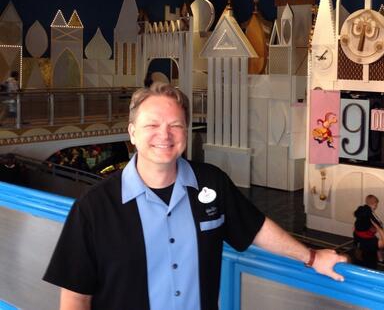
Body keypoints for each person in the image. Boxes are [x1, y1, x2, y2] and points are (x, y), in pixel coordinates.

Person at [43, 82, 346, 310]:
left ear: (186, 132)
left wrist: (311, 257)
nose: (165, 135)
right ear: (132, 133)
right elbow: (75, 297)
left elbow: (255, 227)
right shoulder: (94, 206)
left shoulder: (210, 183)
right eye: (152, 125)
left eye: (175, 125)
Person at [353, 194, 384, 268]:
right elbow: (377, 221)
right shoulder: (370, 212)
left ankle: (379, 259)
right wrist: (380, 228)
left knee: (360, 247)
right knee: (375, 245)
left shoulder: (361, 209)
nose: (376, 207)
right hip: (367, 236)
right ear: (374, 204)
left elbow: (356, 217)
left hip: (358, 234)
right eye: (376, 205)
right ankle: (379, 260)